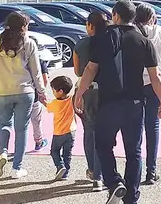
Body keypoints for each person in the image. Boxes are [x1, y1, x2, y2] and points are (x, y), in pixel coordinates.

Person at [75, 0, 161, 204]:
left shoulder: (103, 38)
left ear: (115, 15)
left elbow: (90, 69)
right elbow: (155, 76)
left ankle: (114, 182)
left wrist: (79, 93)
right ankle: (131, 198)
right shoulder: (143, 41)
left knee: (102, 145)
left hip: (108, 103)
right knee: (133, 152)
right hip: (135, 104)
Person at [0, 12, 47, 179]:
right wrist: (42, 92)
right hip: (25, 92)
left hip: (1, 91)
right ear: (24, 26)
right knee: (22, 129)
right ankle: (17, 167)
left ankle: (2, 153)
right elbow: (36, 72)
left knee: (3, 124)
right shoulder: (28, 43)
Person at [134, 4, 161, 186]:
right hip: (157, 83)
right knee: (153, 127)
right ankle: (152, 171)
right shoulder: (160, 32)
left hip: (134, 84)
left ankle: (135, 169)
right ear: (152, 17)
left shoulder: (132, 33)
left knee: (135, 128)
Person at [73, 11, 108, 192]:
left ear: (90, 26)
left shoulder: (81, 44)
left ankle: (94, 172)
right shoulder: (112, 40)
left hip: (87, 91)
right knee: (104, 134)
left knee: (89, 132)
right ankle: (101, 175)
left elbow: (78, 71)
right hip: (108, 92)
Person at [47, 75, 76, 181]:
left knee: (54, 151)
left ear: (60, 91)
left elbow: (48, 108)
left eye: (53, 90)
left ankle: (60, 166)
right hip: (71, 131)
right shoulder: (72, 99)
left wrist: (42, 100)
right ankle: (65, 173)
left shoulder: (56, 103)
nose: (53, 92)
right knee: (67, 154)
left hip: (59, 132)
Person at [30, 58, 50, 151]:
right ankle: (39, 142)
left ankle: (19, 145)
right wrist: (41, 92)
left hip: (19, 93)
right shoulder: (41, 62)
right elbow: (45, 79)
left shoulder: (20, 58)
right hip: (34, 96)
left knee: (21, 123)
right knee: (36, 120)